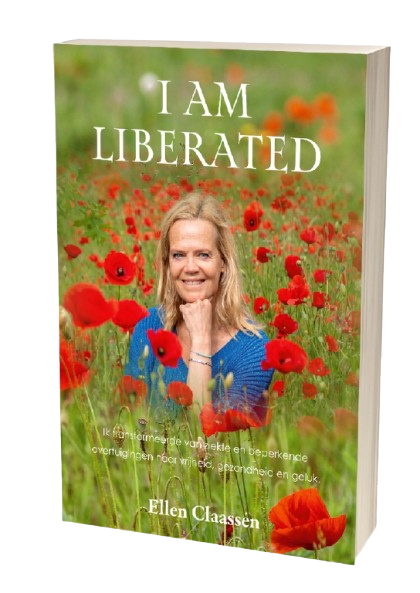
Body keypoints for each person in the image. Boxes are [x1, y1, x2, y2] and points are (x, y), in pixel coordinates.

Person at [126, 193, 274, 418]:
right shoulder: (148, 328)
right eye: (178, 255)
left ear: (223, 262)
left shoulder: (254, 351)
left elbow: (207, 435)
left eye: (203, 255)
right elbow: (130, 422)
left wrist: (201, 341)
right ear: (167, 263)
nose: (190, 267)